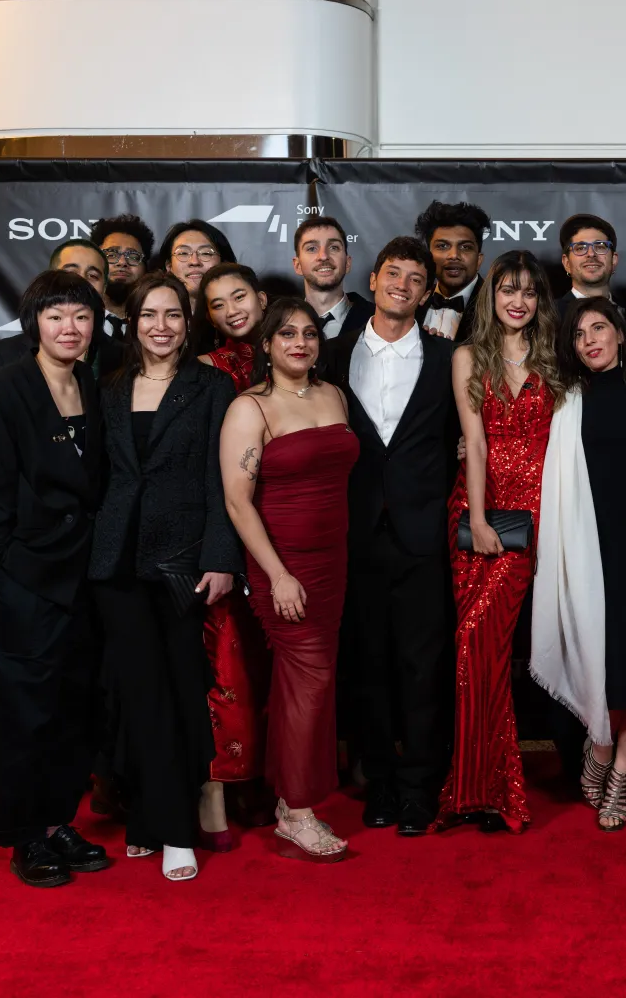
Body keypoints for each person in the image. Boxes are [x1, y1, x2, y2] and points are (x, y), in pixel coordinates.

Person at [88, 271, 239, 882]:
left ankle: (178, 828)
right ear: (131, 323)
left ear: (188, 321)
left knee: (180, 694)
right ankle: (150, 818)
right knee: (138, 696)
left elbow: (220, 478)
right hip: (117, 562)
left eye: (172, 314)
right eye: (149, 314)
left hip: (183, 560)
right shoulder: (110, 386)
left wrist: (221, 556)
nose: (160, 325)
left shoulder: (212, 386)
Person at [0, 269, 110, 888]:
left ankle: (57, 822)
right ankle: (25, 835)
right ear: (35, 324)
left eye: (80, 316)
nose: (70, 328)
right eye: (56, 316)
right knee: (26, 713)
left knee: (71, 709)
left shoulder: (92, 383)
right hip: (27, 576)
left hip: (85, 574)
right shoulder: (6, 386)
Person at [326, 237, 459, 836]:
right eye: (393, 273)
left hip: (423, 536)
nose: (402, 285)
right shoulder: (330, 355)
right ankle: (378, 782)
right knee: (367, 665)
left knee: (423, 667)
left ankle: (419, 788)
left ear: (427, 292)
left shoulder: (450, 358)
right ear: (373, 279)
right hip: (353, 535)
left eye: (415, 278)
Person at [219, 298, 359, 861]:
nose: (299, 342)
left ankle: (290, 798)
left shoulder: (333, 396)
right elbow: (237, 500)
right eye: (286, 335)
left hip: (334, 561)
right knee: (310, 679)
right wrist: (277, 574)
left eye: (308, 333)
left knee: (309, 683)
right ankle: (296, 813)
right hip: (284, 564)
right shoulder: (250, 408)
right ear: (267, 346)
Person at [531, 297, 626, 832]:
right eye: (579, 334)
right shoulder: (564, 398)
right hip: (583, 542)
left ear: (619, 333)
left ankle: (619, 774)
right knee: (598, 655)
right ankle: (597, 748)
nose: (590, 339)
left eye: (599, 328)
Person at [435, 250, 566, 834]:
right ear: (491, 298)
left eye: (529, 292)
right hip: (481, 515)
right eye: (507, 290)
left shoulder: (555, 357)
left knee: (494, 648)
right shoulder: (468, 356)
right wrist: (481, 517)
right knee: (472, 645)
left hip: (543, 511)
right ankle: (478, 790)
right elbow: (475, 441)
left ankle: (488, 787)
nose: (518, 301)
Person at [195, 263, 277, 833]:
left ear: (262, 297)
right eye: (218, 304)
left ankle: (280, 783)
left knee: (287, 666)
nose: (232, 310)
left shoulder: (297, 349)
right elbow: (208, 475)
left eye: (239, 297)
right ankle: (227, 784)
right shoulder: (205, 372)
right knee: (232, 667)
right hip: (234, 527)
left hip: (295, 527)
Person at [0, 242, 124, 378]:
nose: (80, 281)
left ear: (104, 287)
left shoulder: (124, 355)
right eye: (70, 273)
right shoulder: (4, 353)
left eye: (93, 275)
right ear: (50, 278)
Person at [415, 200, 490, 342]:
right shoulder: (412, 300)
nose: (454, 255)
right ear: (428, 256)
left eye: (465, 247)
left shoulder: (497, 305)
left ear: (479, 260)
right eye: (442, 246)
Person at [294, 215, 375, 343]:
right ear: (297, 265)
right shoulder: (279, 323)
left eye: (333, 247)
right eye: (312, 248)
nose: (323, 256)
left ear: (347, 263)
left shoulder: (376, 320)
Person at [92, 214, 156, 339]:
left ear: (145, 267)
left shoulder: (158, 327)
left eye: (133, 256)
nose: (122, 262)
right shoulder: (77, 323)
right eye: (111, 254)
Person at [555, 214, 626, 317]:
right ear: (567, 263)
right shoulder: (550, 317)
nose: (591, 254)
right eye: (580, 248)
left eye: (599, 247)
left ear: (613, 260)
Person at [159, 219, 237, 304]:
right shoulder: (156, 315)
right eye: (183, 253)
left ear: (224, 263)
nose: (194, 262)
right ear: (169, 266)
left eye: (206, 253)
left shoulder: (237, 314)